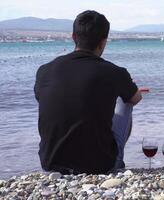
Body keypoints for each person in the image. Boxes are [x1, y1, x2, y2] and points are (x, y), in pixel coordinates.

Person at [34, 10, 142, 174]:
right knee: (126, 100)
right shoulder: (114, 72)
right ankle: (115, 161)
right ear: (103, 42)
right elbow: (136, 98)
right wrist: (124, 85)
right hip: (99, 165)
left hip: (50, 164)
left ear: (73, 37)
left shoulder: (44, 71)